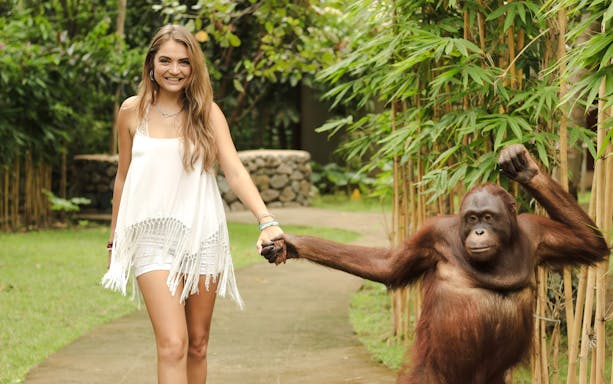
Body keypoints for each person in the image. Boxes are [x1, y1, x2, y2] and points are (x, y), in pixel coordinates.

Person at [101, 24, 283, 384]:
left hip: (203, 236)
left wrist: (266, 220)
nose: (174, 69)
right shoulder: (131, 112)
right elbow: (123, 176)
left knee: (198, 344)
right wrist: (115, 238)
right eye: (165, 60)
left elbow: (234, 170)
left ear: (193, 67)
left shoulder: (207, 113)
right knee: (173, 344)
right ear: (151, 64)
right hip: (151, 237)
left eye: (184, 62)